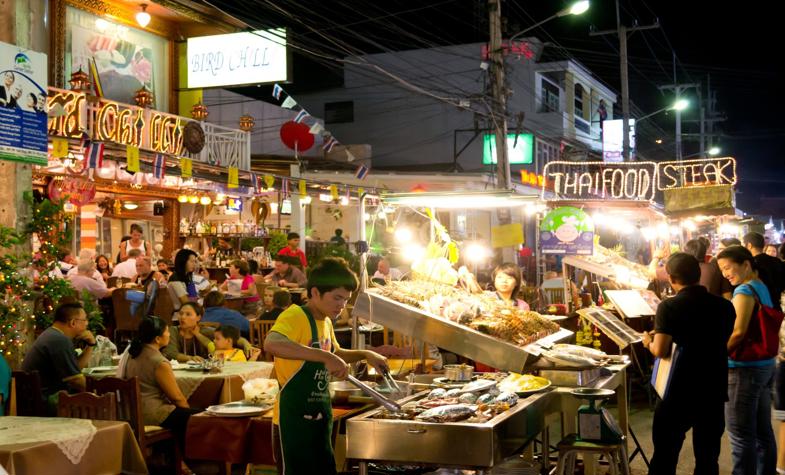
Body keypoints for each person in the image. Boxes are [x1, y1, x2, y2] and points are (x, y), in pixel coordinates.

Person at [264, 257, 388, 474]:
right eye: (337, 298)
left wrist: (367, 354)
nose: (342, 306)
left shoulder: (326, 322)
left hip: (320, 416)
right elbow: (272, 343)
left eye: (346, 300)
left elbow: (335, 353)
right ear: (314, 293)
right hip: (292, 421)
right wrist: (323, 356)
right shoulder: (295, 315)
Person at [641, 253, 735, 474]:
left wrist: (648, 341)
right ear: (698, 274)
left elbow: (661, 350)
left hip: (677, 392)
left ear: (672, 278)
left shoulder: (668, 307)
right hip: (713, 389)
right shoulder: (725, 306)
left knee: (665, 456)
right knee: (708, 459)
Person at [717, 245, 777, 475]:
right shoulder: (761, 286)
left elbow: (739, 332)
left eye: (728, 267)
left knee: (741, 436)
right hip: (764, 365)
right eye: (721, 270)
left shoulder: (743, 291)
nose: (725, 273)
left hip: (744, 369)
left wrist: (718, 355)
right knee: (763, 433)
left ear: (745, 264)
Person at [119, 316, 200, 454]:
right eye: (167, 332)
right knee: (200, 416)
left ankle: (171, 460)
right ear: (157, 339)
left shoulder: (132, 355)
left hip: (131, 411)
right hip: (152, 414)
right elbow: (177, 398)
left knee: (183, 415)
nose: (169, 334)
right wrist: (188, 414)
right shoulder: (158, 361)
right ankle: (188, 461)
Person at [21, 302, 96, 405]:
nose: (87, 323)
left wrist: (91, 345)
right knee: (99, 403)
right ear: (73, 322)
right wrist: (98, 390)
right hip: (46, 401)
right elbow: (76, 381)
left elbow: (76, 369)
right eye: (84, 320)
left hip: (36, 399)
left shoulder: (53, 334)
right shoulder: (59, 340)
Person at [743, 232, 785, 307]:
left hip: (761, 309)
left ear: (749, 245)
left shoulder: (751, 264)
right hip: (776, 306)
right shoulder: (777, 261)